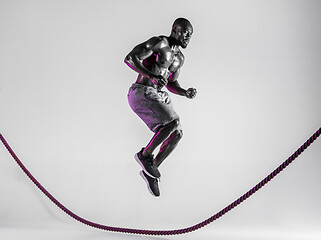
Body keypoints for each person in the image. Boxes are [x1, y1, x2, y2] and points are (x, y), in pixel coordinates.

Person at [124, 18, 197, 197]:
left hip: (158, 95)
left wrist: (184, 92)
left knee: (177, 133)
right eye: (185, 32)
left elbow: (171, 83)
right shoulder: (159, 43)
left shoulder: (179, 59)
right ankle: (144, 155)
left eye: (191, 34)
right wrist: (151, 75)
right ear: (175, 30)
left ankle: (151, 171)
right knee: (172, 122)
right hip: (141, 92)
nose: (188, 36)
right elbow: (130, 58)